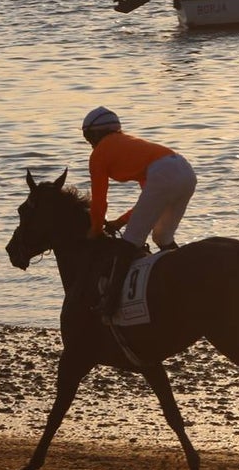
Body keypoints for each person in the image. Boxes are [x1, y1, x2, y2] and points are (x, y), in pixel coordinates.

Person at [81, 106, 197, 319]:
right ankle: (189, 282)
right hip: (185, 170)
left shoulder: (99, 154)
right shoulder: (132, 147)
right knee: (162, 237)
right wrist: (120, 222)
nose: (89, 143)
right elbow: (149, 200)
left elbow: (99, 201)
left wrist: (95, 230)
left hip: (165, 174)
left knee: (129, 243)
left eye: (88, 137)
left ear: (96, 134)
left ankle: (110, 304)